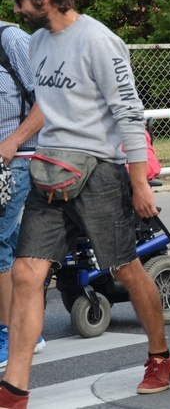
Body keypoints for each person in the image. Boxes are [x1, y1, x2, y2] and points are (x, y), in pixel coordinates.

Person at [0, 0, 170, 407]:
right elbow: (48, 103)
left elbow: (129, 115)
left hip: (99, 173)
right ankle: (14, 389)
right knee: (25, 273)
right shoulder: (37, 42)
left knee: (125, 270)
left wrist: (139, 183)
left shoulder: (99, 40)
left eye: (21, 1)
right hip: (49, 172)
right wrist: (16, 138)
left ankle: (159, 357)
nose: (17, 10)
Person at [0, 22, 46, 370]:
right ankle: (30, 329)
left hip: (15, 161)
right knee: (11, 242)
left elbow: (47, 101)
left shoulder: (11, 39)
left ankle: (9, 335)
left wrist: (13, 141)